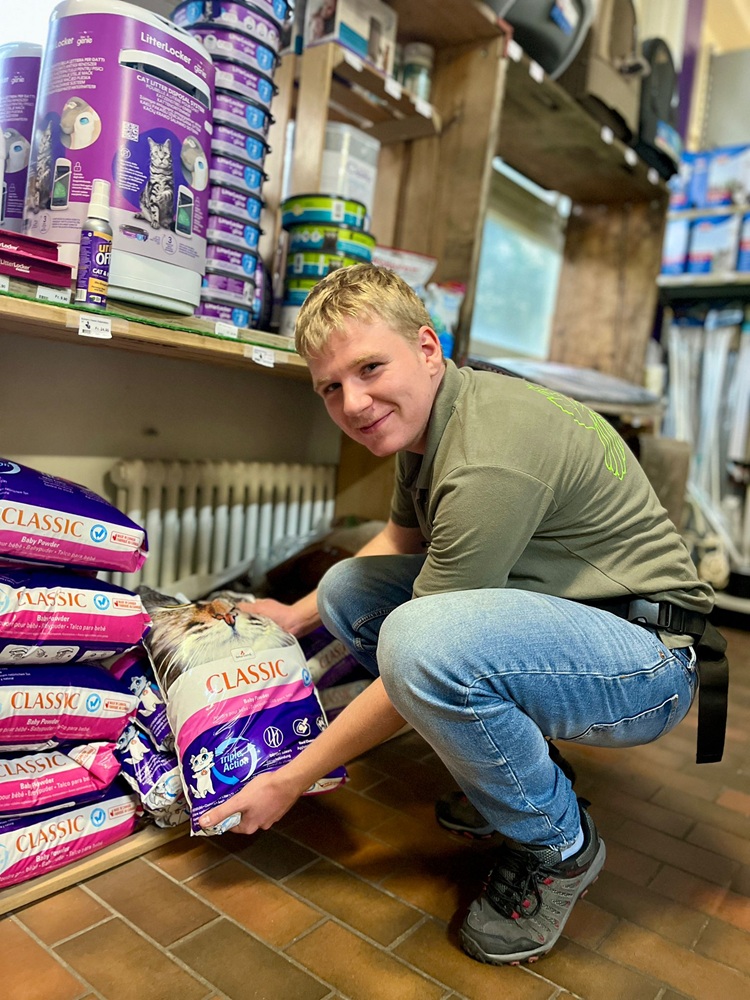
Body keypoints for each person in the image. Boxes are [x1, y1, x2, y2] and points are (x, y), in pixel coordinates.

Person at [199, 263, 718, 965]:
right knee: (351, 585)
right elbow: (398, 546)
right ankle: (518, 773)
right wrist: (294, 616)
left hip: (648, 661)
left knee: (421, 644)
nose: (353, 403)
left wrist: (290, 779)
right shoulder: (434, 419)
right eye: (331, 387)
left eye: (369, 367)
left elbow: (415, 658)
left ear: (427, 348)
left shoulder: (486, 459)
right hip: (572, 618)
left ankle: (558, 846)